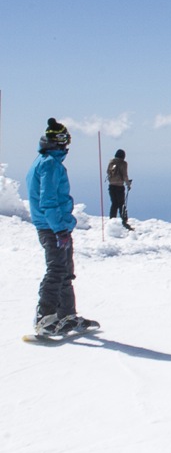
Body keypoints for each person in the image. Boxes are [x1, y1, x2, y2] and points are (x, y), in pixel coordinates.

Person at [26, 118, 99, 336]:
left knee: (65, 271)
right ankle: (44, 318)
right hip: (51, 228)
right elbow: (47, 200)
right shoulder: (49, 164)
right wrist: (58, 229)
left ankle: (66, 314)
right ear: (60, 141)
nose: (68, 144)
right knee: (57, 270)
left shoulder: (49, 162)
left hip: (57, 226)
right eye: (66, 139)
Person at [106, 148, 133, 229]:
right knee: (121, 204)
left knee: (114, 203)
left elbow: (108, 172)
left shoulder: (111, 162)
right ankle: (124, 221)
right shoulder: (123, 163)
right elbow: (125, 175)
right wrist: (128, 184)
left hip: (111, 185)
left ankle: (112, 220)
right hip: (119, 186)